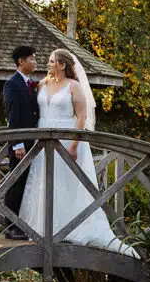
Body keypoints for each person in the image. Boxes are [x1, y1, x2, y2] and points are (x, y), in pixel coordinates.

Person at [19, 48, 137, 256]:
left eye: (51, 60)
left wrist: (74, 144)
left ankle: (72, 227)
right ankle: (45, 228)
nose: (47, 64)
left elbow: (81, 117)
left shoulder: (74, 87)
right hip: (44, 140)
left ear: (62, 65)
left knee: (68, 184)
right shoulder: (42, 85)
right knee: (46, 182)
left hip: (66, 140)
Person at [2, 45, 39, 240]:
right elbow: (13, 116)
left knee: (27, 183)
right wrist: (17, 144)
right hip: (20, 145)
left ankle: (23, 223)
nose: (35, 62)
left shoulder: (31, 84)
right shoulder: (12, 84)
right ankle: (10, 227)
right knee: (16, 182)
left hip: (34, 143)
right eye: (32, 59)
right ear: (21, 62)